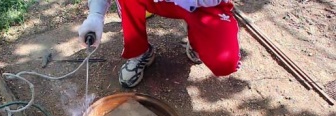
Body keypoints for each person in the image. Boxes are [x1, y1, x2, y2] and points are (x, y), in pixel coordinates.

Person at [78, 0, 241, 88]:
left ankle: (196, 38)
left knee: (224, 63)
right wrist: (96, 15)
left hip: (203, 4)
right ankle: (139, 51)